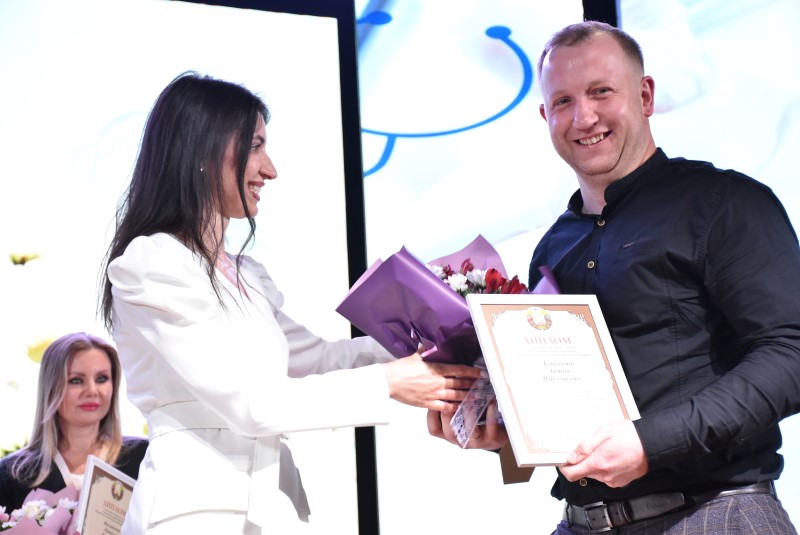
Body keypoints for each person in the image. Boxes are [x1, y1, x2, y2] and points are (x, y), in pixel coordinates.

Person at [427, 20, 800, 534]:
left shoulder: (724, 204)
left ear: (645, 96)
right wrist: (501, 434)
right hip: (583, 522)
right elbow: (560, 406)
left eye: (601, 91)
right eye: (563, 101)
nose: (584, 117)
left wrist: (651, 442)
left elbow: (790, 352)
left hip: (715, 514)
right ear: (545, 116)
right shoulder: (553, 247)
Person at [99, 71, 481, 534]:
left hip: (266, 512)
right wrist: (391, 382)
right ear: (202, 149)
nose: (270, 169)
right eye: (255, 147)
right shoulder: (152, 262)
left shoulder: (247, 274)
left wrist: (434, 340)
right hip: (192, 515)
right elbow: (251, 403)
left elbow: (321, 359)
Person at [0, 332, 148, 512]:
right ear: (51, 388)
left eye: (102, 379)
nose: (92, 390)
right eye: (76, 380)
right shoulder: (11, 474)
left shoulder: (143, 457)